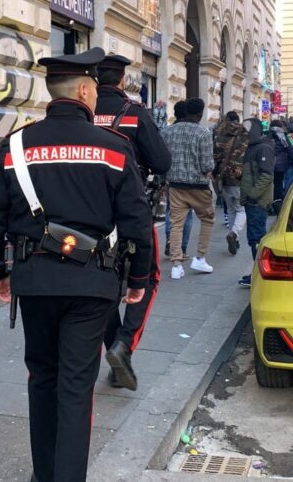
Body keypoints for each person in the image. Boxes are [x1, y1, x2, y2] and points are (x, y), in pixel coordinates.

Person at [0, 47, 153, 482]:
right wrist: (139, 279)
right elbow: (136, 220)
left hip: (35, 281)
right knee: (75, 386)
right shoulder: (114, 147)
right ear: (86, 91)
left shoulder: (16, 145)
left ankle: (44, 474)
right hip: (92, 285)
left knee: (42, 378)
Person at [94, 54, 171, 391]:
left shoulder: (85, 111)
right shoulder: (134, 113)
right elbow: (162, 162)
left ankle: (116, 350)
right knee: (148, 277)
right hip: (130, 208)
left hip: (90, 213)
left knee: (105, 281)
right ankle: (124, 345)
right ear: (123, 79)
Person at [161, 98, 216, 280]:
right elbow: (207, 165)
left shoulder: (168, 131)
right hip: (198, 186)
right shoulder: (203, 133)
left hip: (175, 185)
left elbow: (163, 158)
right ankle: (200, 257)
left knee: (176, 224)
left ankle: (176, 265)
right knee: (207, 219)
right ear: (200, 114)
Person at [238, 118, 275, 287]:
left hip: (257, 202)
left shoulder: (262, 148)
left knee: (257, 238)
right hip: (252, 201)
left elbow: (266, 175)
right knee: (255, 238)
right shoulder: (253, 147)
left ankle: (260, 275)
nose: (244, 134)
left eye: (247, 131)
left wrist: (252, 195)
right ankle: (258, 273)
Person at [213, 111, 249, 255]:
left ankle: (234, 237)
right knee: (241, 209)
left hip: (224, 176)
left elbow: (215, 156)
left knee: (231, 209)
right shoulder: (245, 133)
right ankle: (234, 233)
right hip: (239, 176)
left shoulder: (219, 132)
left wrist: (215, 173)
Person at [163, 101, 194, 258]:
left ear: (175, 114)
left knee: (171, 211)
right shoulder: (196, 132)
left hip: (171, 179)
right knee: (187, 213)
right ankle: (182, 248)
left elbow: (160, 156)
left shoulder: (166, 132)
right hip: (191, 181)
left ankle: (170, 239)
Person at [270, 119, 293, 208]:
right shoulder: (282, 136)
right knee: (279, 183)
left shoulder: (268, 135)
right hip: (280, 165)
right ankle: (277, 202)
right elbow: (290, 150)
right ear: (280, 126)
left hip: (269, 164)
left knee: (271, 183)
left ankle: (271, 201)